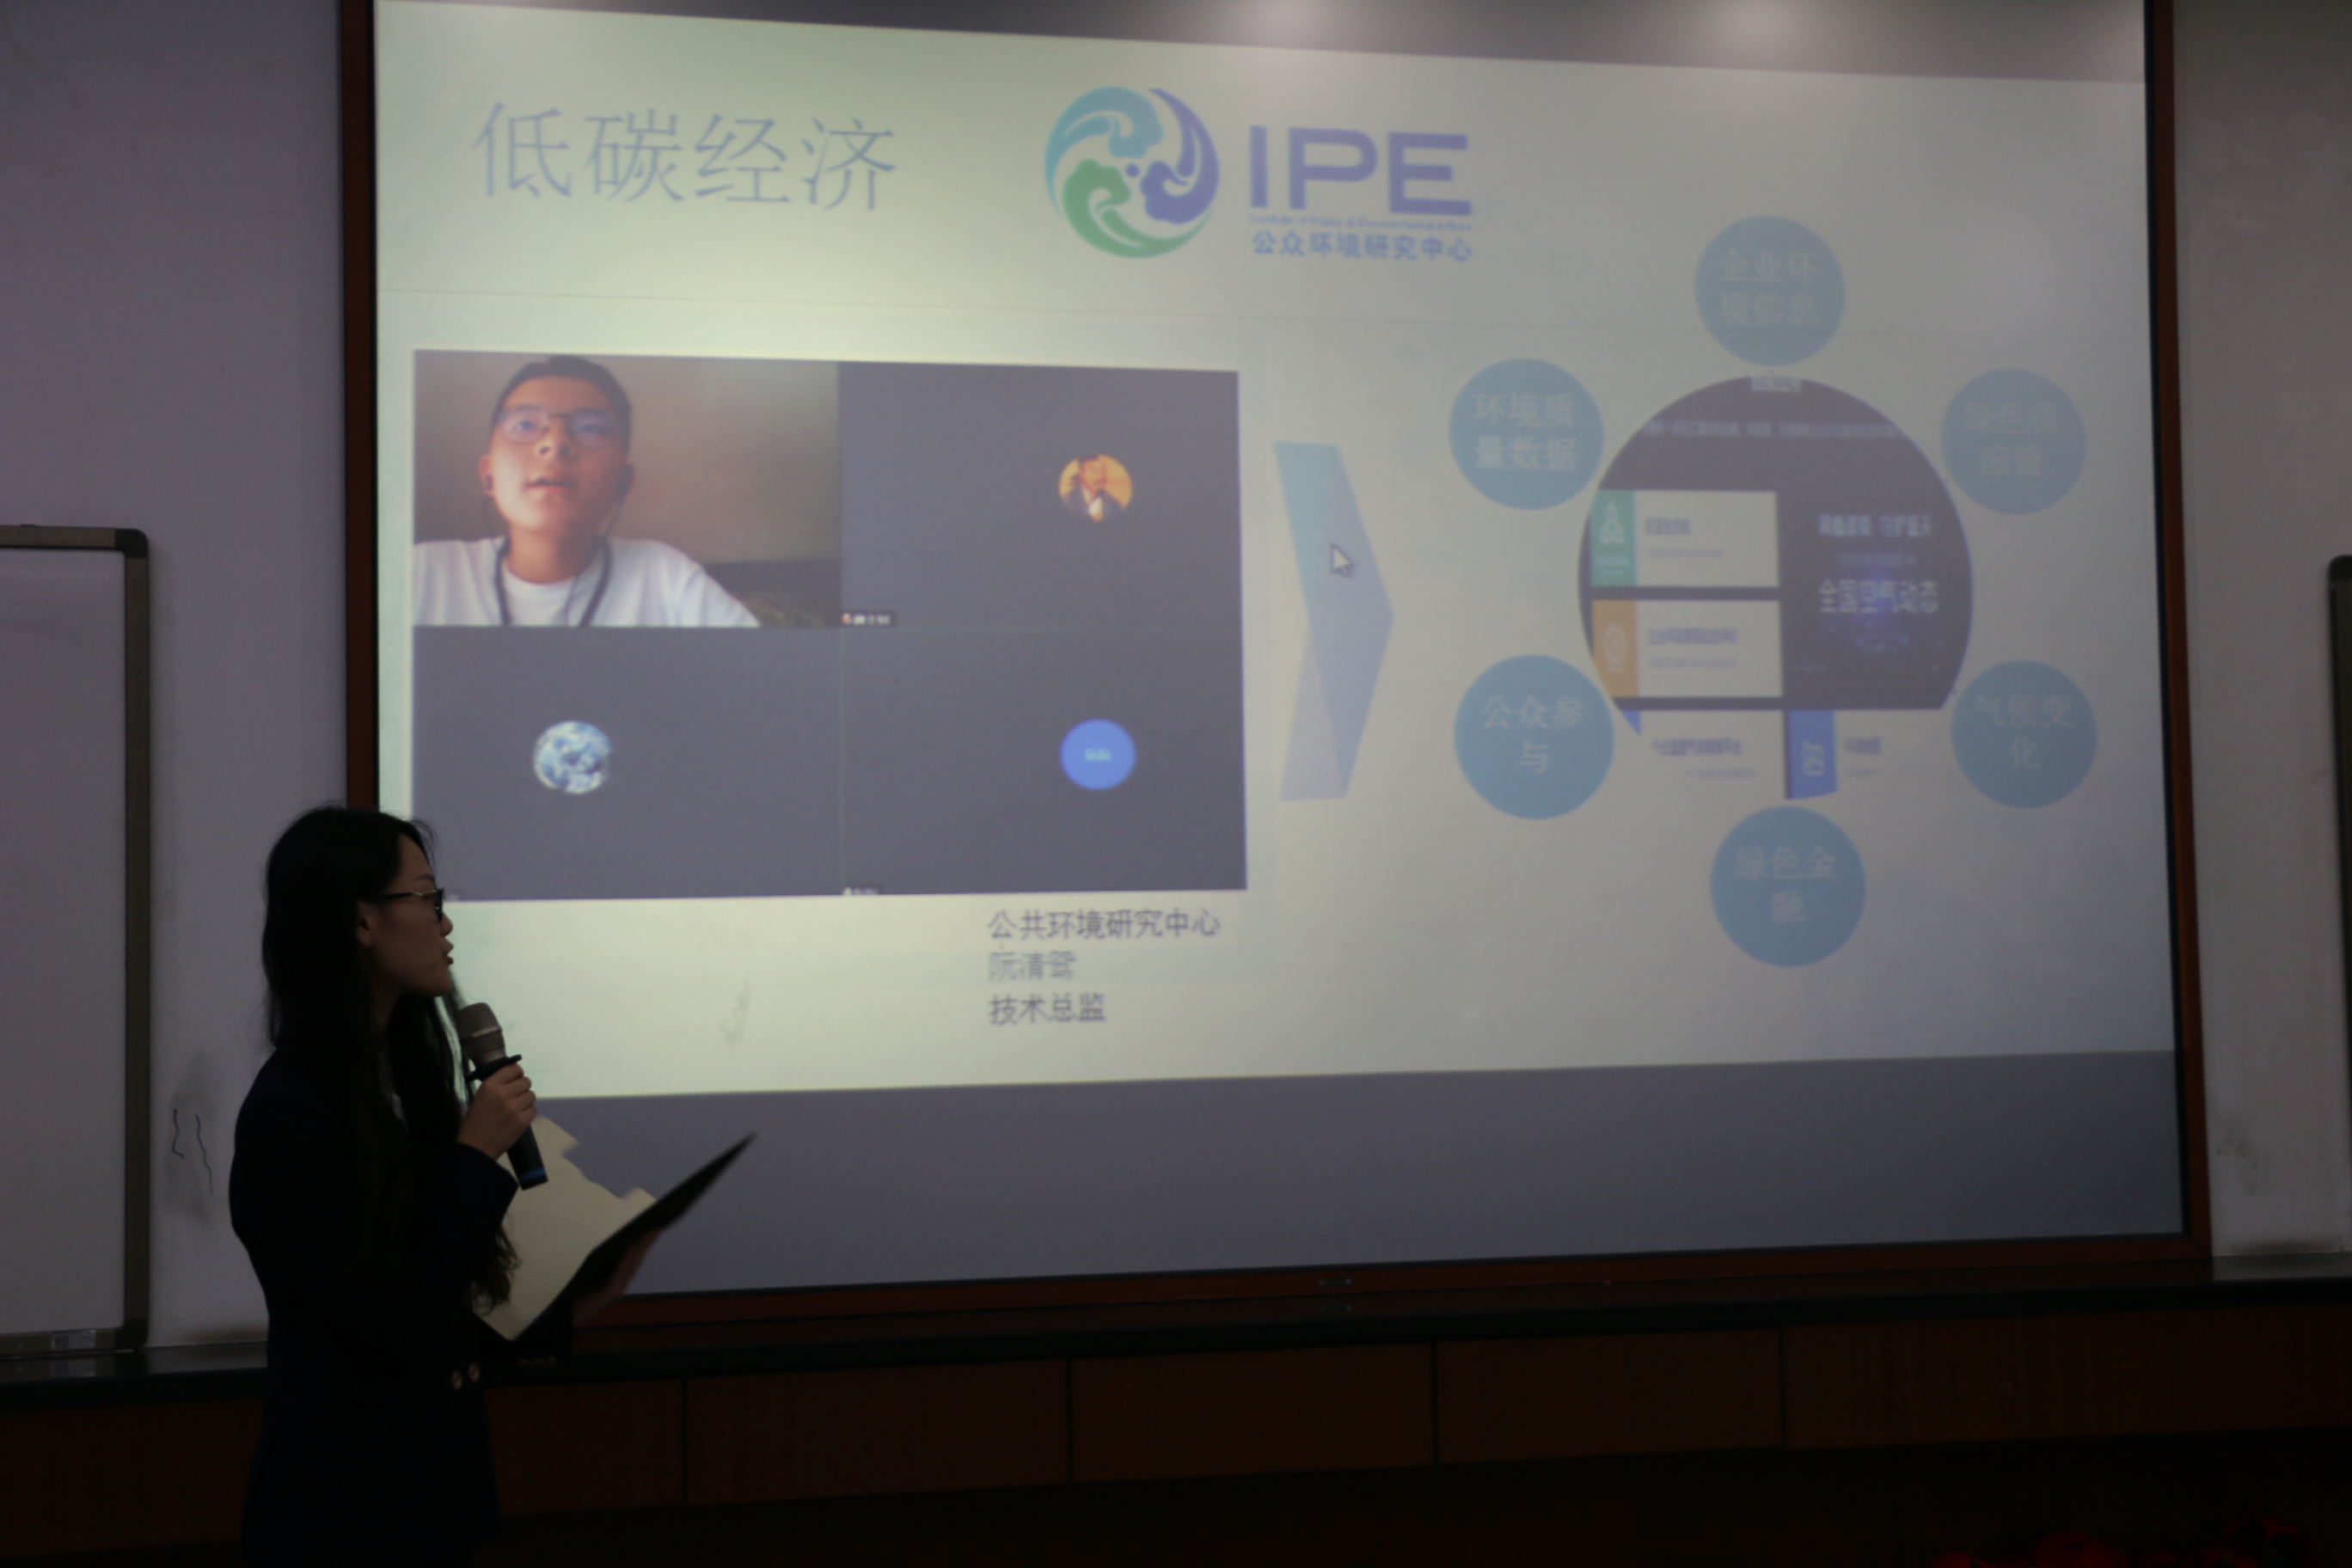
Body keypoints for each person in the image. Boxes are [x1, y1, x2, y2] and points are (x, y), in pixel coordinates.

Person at [230, 807, 656, 1565]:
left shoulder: (396, 1084)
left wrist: (575, 1304)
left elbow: (433, 1301)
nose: (445, 923)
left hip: (433, 1502)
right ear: (362, 921)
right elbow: (377, 1326)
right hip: (344, 1518)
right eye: (426, 898)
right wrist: (473, 1154)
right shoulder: (290, 1115)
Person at [413, 355, 760, 628]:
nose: (555, 443)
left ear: (623, 481)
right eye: (525, 424)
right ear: (488, 475)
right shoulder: (421, 573)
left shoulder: (665, 578)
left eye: (592, 429)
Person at [1061, 453, 1126, 522]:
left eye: (1102, 471)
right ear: (1081, 474)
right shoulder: (1068, 501)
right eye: (1094, 471)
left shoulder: (1113, 504)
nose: (1100, 476)